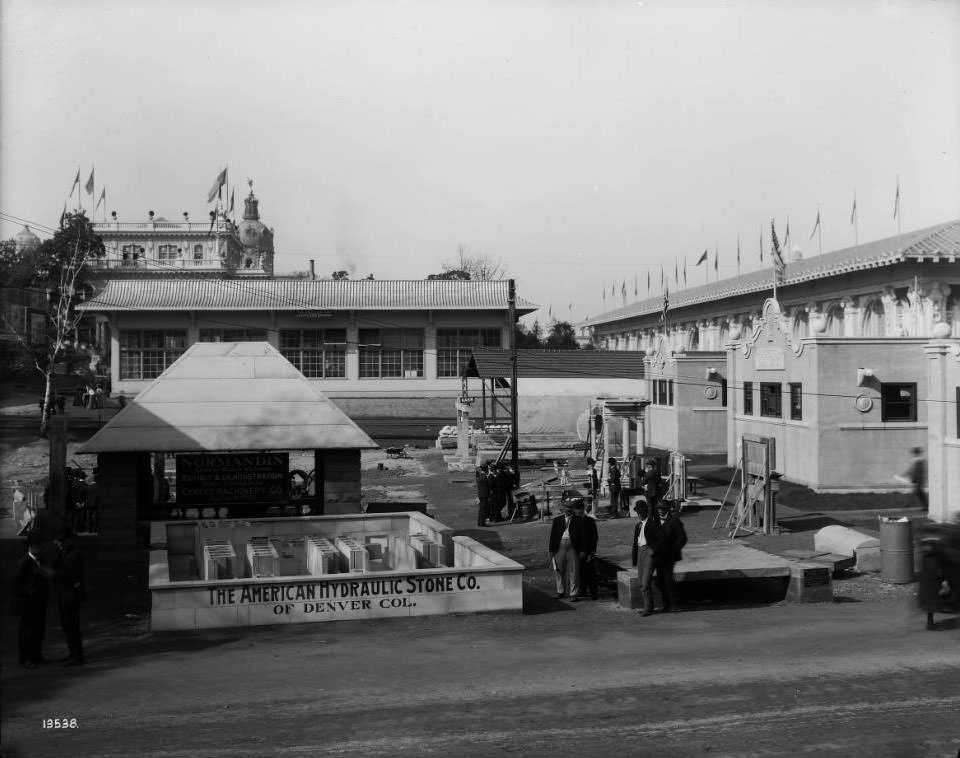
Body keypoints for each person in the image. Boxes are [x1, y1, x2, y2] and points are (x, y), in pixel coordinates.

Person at [11, 533, 50, 668]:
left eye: (39, 545)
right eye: (36, 546)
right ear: (30, 547)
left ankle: (36, 656)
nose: (39, 548)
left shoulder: (40, 560)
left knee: (38, 630)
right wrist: (27, 594)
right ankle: (25, 659)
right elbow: (16, 584)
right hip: (28, 604)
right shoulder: (24, 563)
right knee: (26, 632)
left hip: (39, 602)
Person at [51, 528, 85, 665]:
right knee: (67, 626)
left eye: (60, 541)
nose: (58, 544)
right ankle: (72, 653)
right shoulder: (63, 553)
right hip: (64, 594)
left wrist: (53, 575)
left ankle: (77, 656)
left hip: (71, 595)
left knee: (72, 626)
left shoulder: (74, 555)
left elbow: (68, 575)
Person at [652, 500, 687, 613]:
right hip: (659, 556)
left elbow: (682, 538)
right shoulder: (656, 521)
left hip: (669, 556)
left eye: (661, 508)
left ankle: (674, 604)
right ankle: (666, 604)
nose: (660, 511)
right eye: (658, 509)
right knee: (661, 580)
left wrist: (673, 550)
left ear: (666, 509)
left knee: (668, 580)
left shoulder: (674, 521)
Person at [631, 501, 662, 616]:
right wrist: (634, 558)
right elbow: (635, 543)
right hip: (640, 553)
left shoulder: (653, 524)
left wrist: (653, 549)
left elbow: (660, 540)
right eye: (638, 512)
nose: (639, 514)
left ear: (646, 512)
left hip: (649, 553)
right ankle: (649, 606)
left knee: (645, 582)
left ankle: (647, 608)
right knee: (641, 582)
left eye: (641, 512)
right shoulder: (638, 525)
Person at [548, 502, 583, 601]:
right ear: (563, 508)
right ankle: (560, 591)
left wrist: (582, 550)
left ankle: (573, 593)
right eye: (566, 507)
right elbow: (552, 537)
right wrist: (551, 551)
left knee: (574, 571)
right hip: (559, 547)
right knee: (559, 570)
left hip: (573, 547)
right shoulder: (557, 520)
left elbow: (583, 537)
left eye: (570, 508)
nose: (568, 509)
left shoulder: (578, 520)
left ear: (573, 509)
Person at [574, 499, 599, 600]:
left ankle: (594, 593)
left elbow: (594, 537)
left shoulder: (590, 521)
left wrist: (592, 551)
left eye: (580, 509)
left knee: (591, 573)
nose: (579, 511)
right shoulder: (574, 521)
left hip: (588, 551)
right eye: (577, 509)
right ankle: (583, 590)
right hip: (577, 551)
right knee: (580, 572)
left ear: (583, 509)